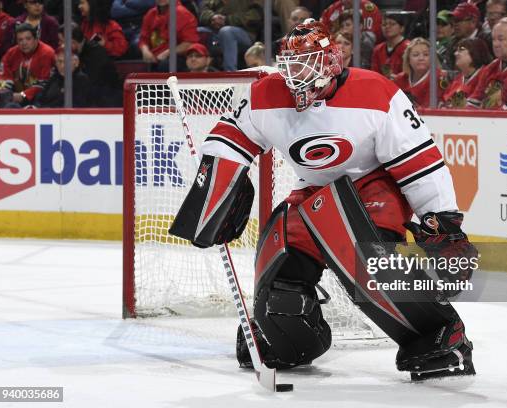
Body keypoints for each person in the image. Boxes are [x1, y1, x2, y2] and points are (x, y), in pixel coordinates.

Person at [168, 20, 477, 381]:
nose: (296, 74)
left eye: (307, 62)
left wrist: (442, 222)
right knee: (279, 272)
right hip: (311, 193)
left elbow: (420, 162)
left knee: (365, 257)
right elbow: (229, 134)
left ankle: (439, 337)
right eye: (291, 64)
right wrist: (218, 188)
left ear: (331, 61)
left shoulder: (377, 93)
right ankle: (290, 340)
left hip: (372, 188)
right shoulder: (267, 93)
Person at [60, 23, 121, 106]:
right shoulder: (76, 52)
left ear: (73, 42)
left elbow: (90, 84)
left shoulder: (95, 53)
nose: (60, 45)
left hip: (106, 102)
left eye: (61, 41)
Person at [0, 23, 55, 107]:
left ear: (36, 39)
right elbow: (2, 79)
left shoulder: (47, 53)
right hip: (15, 95)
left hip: (39, 97)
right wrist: (4, 94)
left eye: (28, 39)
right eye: (20, 40)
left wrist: (23, 95)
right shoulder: (11, 53)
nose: (24, 43)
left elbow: (45, 83)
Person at [198, 0, 263, 71]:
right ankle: (199, 72)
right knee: (200, 31)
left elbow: (255, 16)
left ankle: (230, 72)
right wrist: (212, 17)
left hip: (245, 34)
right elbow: (203, 10)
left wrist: (227, 20)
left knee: (226, 31)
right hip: (216, 31)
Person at [139, 0, 200, 71]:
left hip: (177, 56)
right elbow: (143, 39)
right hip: (155, 56)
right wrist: (145, 51)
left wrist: (168, 52)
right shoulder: (151, 13)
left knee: (165, 65)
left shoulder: (183, 14)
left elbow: (190, 43)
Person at [393, 37, 449, 107]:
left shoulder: (439, 77)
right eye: (416, 55)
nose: (421, 58)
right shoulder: (399, 79)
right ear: (408, 59)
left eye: (426, 55)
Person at [442, 38, 492, 108]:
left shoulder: (486, 74)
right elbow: (446, 102)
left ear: (475, 51)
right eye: (456, 50)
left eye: (461, 50)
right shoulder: (458, 79)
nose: (455, 53)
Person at [370, 11, 410, 78]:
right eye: (384, 24)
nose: (387, 27)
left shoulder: (409, 48)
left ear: (402, 28)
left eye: (392, 24)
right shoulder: (377, 49)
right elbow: (374, 73)